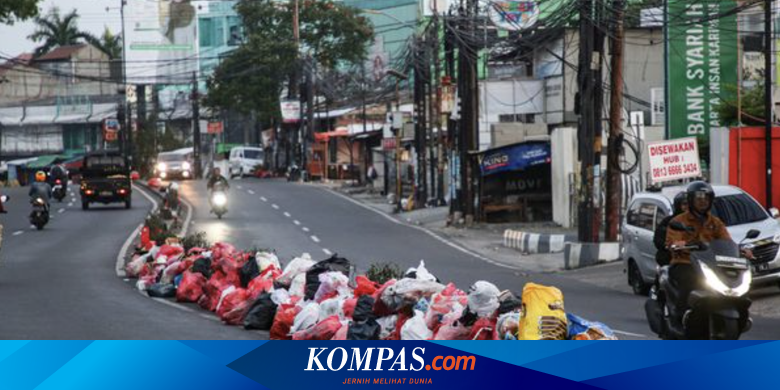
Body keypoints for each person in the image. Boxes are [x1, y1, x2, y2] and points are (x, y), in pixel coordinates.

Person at [665, 181, 731, 321]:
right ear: (691, 200)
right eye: (699, 198)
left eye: (706, 198)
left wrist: (742, 251)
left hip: (710, 263)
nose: (703, 202)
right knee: (689, 281)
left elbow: (727, 241)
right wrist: (682, 244)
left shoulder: (715, 222)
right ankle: (679, 315)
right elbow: (673, 241)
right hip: (685, 262)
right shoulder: (679, 221)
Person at [653, 192, 689, 266]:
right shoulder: (669, 222)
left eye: (690, 204)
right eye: (685, 204)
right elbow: (658, 239)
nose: (687, 207)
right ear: (678, 205)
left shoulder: (697, 221)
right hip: (672, 259)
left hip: (692, 259)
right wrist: (669, 245)